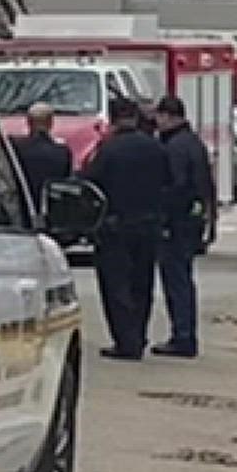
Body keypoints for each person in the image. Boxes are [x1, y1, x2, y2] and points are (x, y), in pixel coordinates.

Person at [83, 96, 169, 360]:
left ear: (113, 119)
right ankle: (139, 336)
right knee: (142, 284)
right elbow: (167, 182)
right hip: (149, 225)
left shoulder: (109, 150)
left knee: (116, 285)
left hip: (116, 227)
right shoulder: (155, 148)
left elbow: (91, 183)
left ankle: (126, 340)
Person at [153, 96, 216, 358]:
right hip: (192, 220)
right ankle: (184, 333)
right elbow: (206, 185)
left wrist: (164, 218)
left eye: (159, 116)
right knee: (183, 278)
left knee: (176, 280)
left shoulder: (175, 147)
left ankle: (183, 336)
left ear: (168, 116)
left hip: (177, 223)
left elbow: (176, 186)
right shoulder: (194, 143)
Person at [11, 102, 73, 211]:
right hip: (52, 211)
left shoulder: (16, 150)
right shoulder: (62, 153)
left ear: (28, 122)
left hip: (22, 209)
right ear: (51, 123)